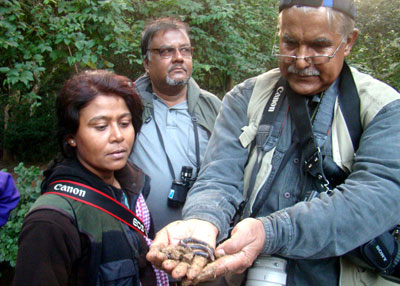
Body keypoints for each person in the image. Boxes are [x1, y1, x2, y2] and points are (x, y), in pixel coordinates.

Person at [147, 1, 400, 286]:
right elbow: (218, 176)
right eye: (289, 43)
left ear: (349, 41)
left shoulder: (384, 109)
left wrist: (269, 233)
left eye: (319, 46)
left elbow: (374, 198)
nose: (301, 60)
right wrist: (203, 220)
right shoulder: (245, 97)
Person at [13, 70, 168, 286]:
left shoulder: (133, 189)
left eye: (124, 123)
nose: (118, 136)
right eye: (101, 127)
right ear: (71, 137)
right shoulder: (50, 222)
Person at [129, 17, 221, 233]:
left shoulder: (215, 108)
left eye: (185, 50)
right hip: (140, 243)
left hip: (204, 240)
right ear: (146, 62)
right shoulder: (128, 107)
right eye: (166, 52)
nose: (179, 58)